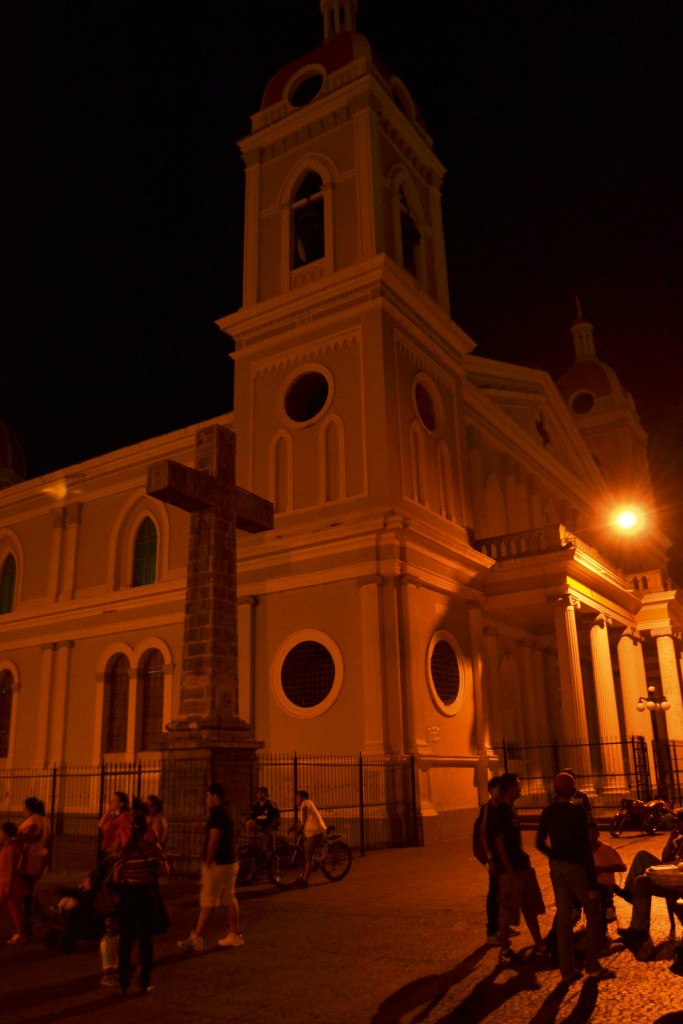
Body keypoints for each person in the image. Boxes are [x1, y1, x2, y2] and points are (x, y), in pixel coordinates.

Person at [536, 771, 604, 983]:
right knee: (594, 915)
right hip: (577, 867)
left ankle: (567, 970)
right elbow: (585, 847)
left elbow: (539, 843)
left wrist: (555, 855)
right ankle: (592, 965)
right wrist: (592, 883)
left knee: (564, 918)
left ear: (554, 790)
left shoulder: (548, 811)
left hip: (557, 868)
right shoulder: (578, 812)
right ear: (574, 790)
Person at [177, 783, 243, 952]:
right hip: (232, 860)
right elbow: (224, 829)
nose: (206, 800)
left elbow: (215, 838)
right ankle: (235, 935)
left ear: (214, 796)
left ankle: (196, 937)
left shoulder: (217, 812)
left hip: (218, 862)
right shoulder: (231, 809)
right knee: (229, 897)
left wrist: (208, 860)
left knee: (207, 899)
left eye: (207, 796)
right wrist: (204, 828)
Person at [487, 773, 546, 964]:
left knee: (530, 909)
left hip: (522, 866)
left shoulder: (511, 808)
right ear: (509, 788)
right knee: (507, 912)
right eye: (517, 785)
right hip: (511, 870)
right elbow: (499, 842)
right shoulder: (500, 811)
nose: (520, 789)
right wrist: (508, 870)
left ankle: (540, 945)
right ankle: (504, 951)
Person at [114, 812, 168, 995]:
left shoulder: (126, 850)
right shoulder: (153, 848)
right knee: (146, 940)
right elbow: (164, 871)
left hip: (128, 896)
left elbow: (116, 876)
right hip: (146, 896)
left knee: (125, 940)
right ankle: (145, 982)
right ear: (147, 830)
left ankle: (123, 983)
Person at [616, 807, 683, 942]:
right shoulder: (679, 840)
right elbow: (665, 859)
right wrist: (670, 839)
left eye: (679, 822)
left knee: (644, 873)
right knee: (641, 878)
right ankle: (638, 929)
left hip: (677, 882)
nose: (676, 825)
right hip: (667, 874)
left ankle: (630, 894)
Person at [473, 776, 502, 945]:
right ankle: (492, 931)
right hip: (495, 858)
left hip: (503, 857)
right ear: (491, 790)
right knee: (494, 892)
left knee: (502, 892)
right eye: (499, 788)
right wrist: (489, 857)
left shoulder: (505, 807)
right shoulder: (487, 808)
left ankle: (501, 925)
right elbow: (482, 832)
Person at [16, 796, 50, 940]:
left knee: (27, 895)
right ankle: (45, 916)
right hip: (37, 859)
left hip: (30, 861)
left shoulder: (34, 821)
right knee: (29, 893)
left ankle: (28, 927)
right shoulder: (43, 819)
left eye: (24, 807)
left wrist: (14, 838)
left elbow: (33, 835)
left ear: (29, 808)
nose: (22, 809)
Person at [588, 821, 626, 935]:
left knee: (600, 895)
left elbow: (622, 867)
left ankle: (601, 933)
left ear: (597, 834)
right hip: (586, 885)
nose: (591, 837)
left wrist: (602, 869)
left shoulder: (607, 849)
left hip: (604, 885)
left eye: (593, 834)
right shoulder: (582, 851)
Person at [0, 822, 28, 944]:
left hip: (6, 882)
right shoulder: (11, 846)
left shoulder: (11, 847)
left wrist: (8, 885)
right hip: (6, 881)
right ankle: (21, 933)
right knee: (14, 908)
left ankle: (21, 933)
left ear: (6, 833)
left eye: (1, 832)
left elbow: (11, 867)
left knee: (14, 908)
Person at [295, 790, 327, 886]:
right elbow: (301, 821)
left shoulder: (306, 803)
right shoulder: (305, 806)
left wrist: (300, 828)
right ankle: (309, 869)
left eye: (297, 797)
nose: (296, 799)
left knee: (308, 857)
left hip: (316, 833)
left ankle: (304, 881)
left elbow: (303, 821)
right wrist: (293, 827)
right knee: (305, 851)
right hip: (312, 833)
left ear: (303, 798)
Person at [98, 792, 132, 859]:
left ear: (121, 804)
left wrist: (115, 848)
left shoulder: (124, 816)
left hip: (114, 852)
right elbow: (100, 825)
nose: (111, 801)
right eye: (111, 799)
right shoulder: (114, 816)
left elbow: (124, 833)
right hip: (107, 850)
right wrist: (108, 811)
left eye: (114, 800)